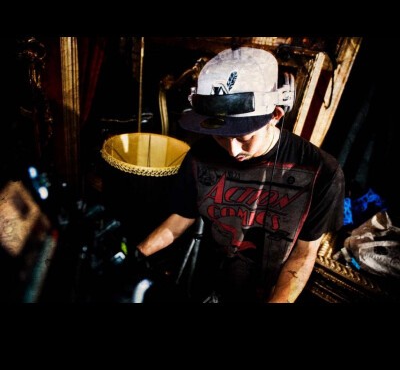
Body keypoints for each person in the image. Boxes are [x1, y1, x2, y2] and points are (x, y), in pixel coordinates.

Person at [134, 46, 345, 303]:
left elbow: (304, 252)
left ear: (275, 115)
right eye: (221, 137)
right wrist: (136, 256)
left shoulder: (322, 172)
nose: (233, 150)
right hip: (209, 283)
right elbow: (181, 217)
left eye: (243, 138)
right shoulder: (200, 156)